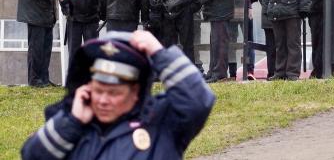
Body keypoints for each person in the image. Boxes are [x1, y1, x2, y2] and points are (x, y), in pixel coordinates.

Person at [21, 30, 215, 159]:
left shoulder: (160, 120)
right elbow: (32, 155)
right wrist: (72, 122)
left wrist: (160, 53)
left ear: (135, 92)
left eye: (114, 93)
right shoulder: (71, 126)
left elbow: (198, 101)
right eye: (98, 91)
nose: (103, 100)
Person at [228, 0, 258, 80]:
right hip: (245, 15)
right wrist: (249, 6)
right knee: (249, 42)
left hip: (230, 15)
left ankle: (232, 73)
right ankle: (250, 70)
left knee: (231, 44)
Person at [257, 0, 276, 79]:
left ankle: (277, 71)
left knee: (278, 48)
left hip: (278, 19)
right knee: (272, 49)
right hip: (269, 21)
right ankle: (272, 72)